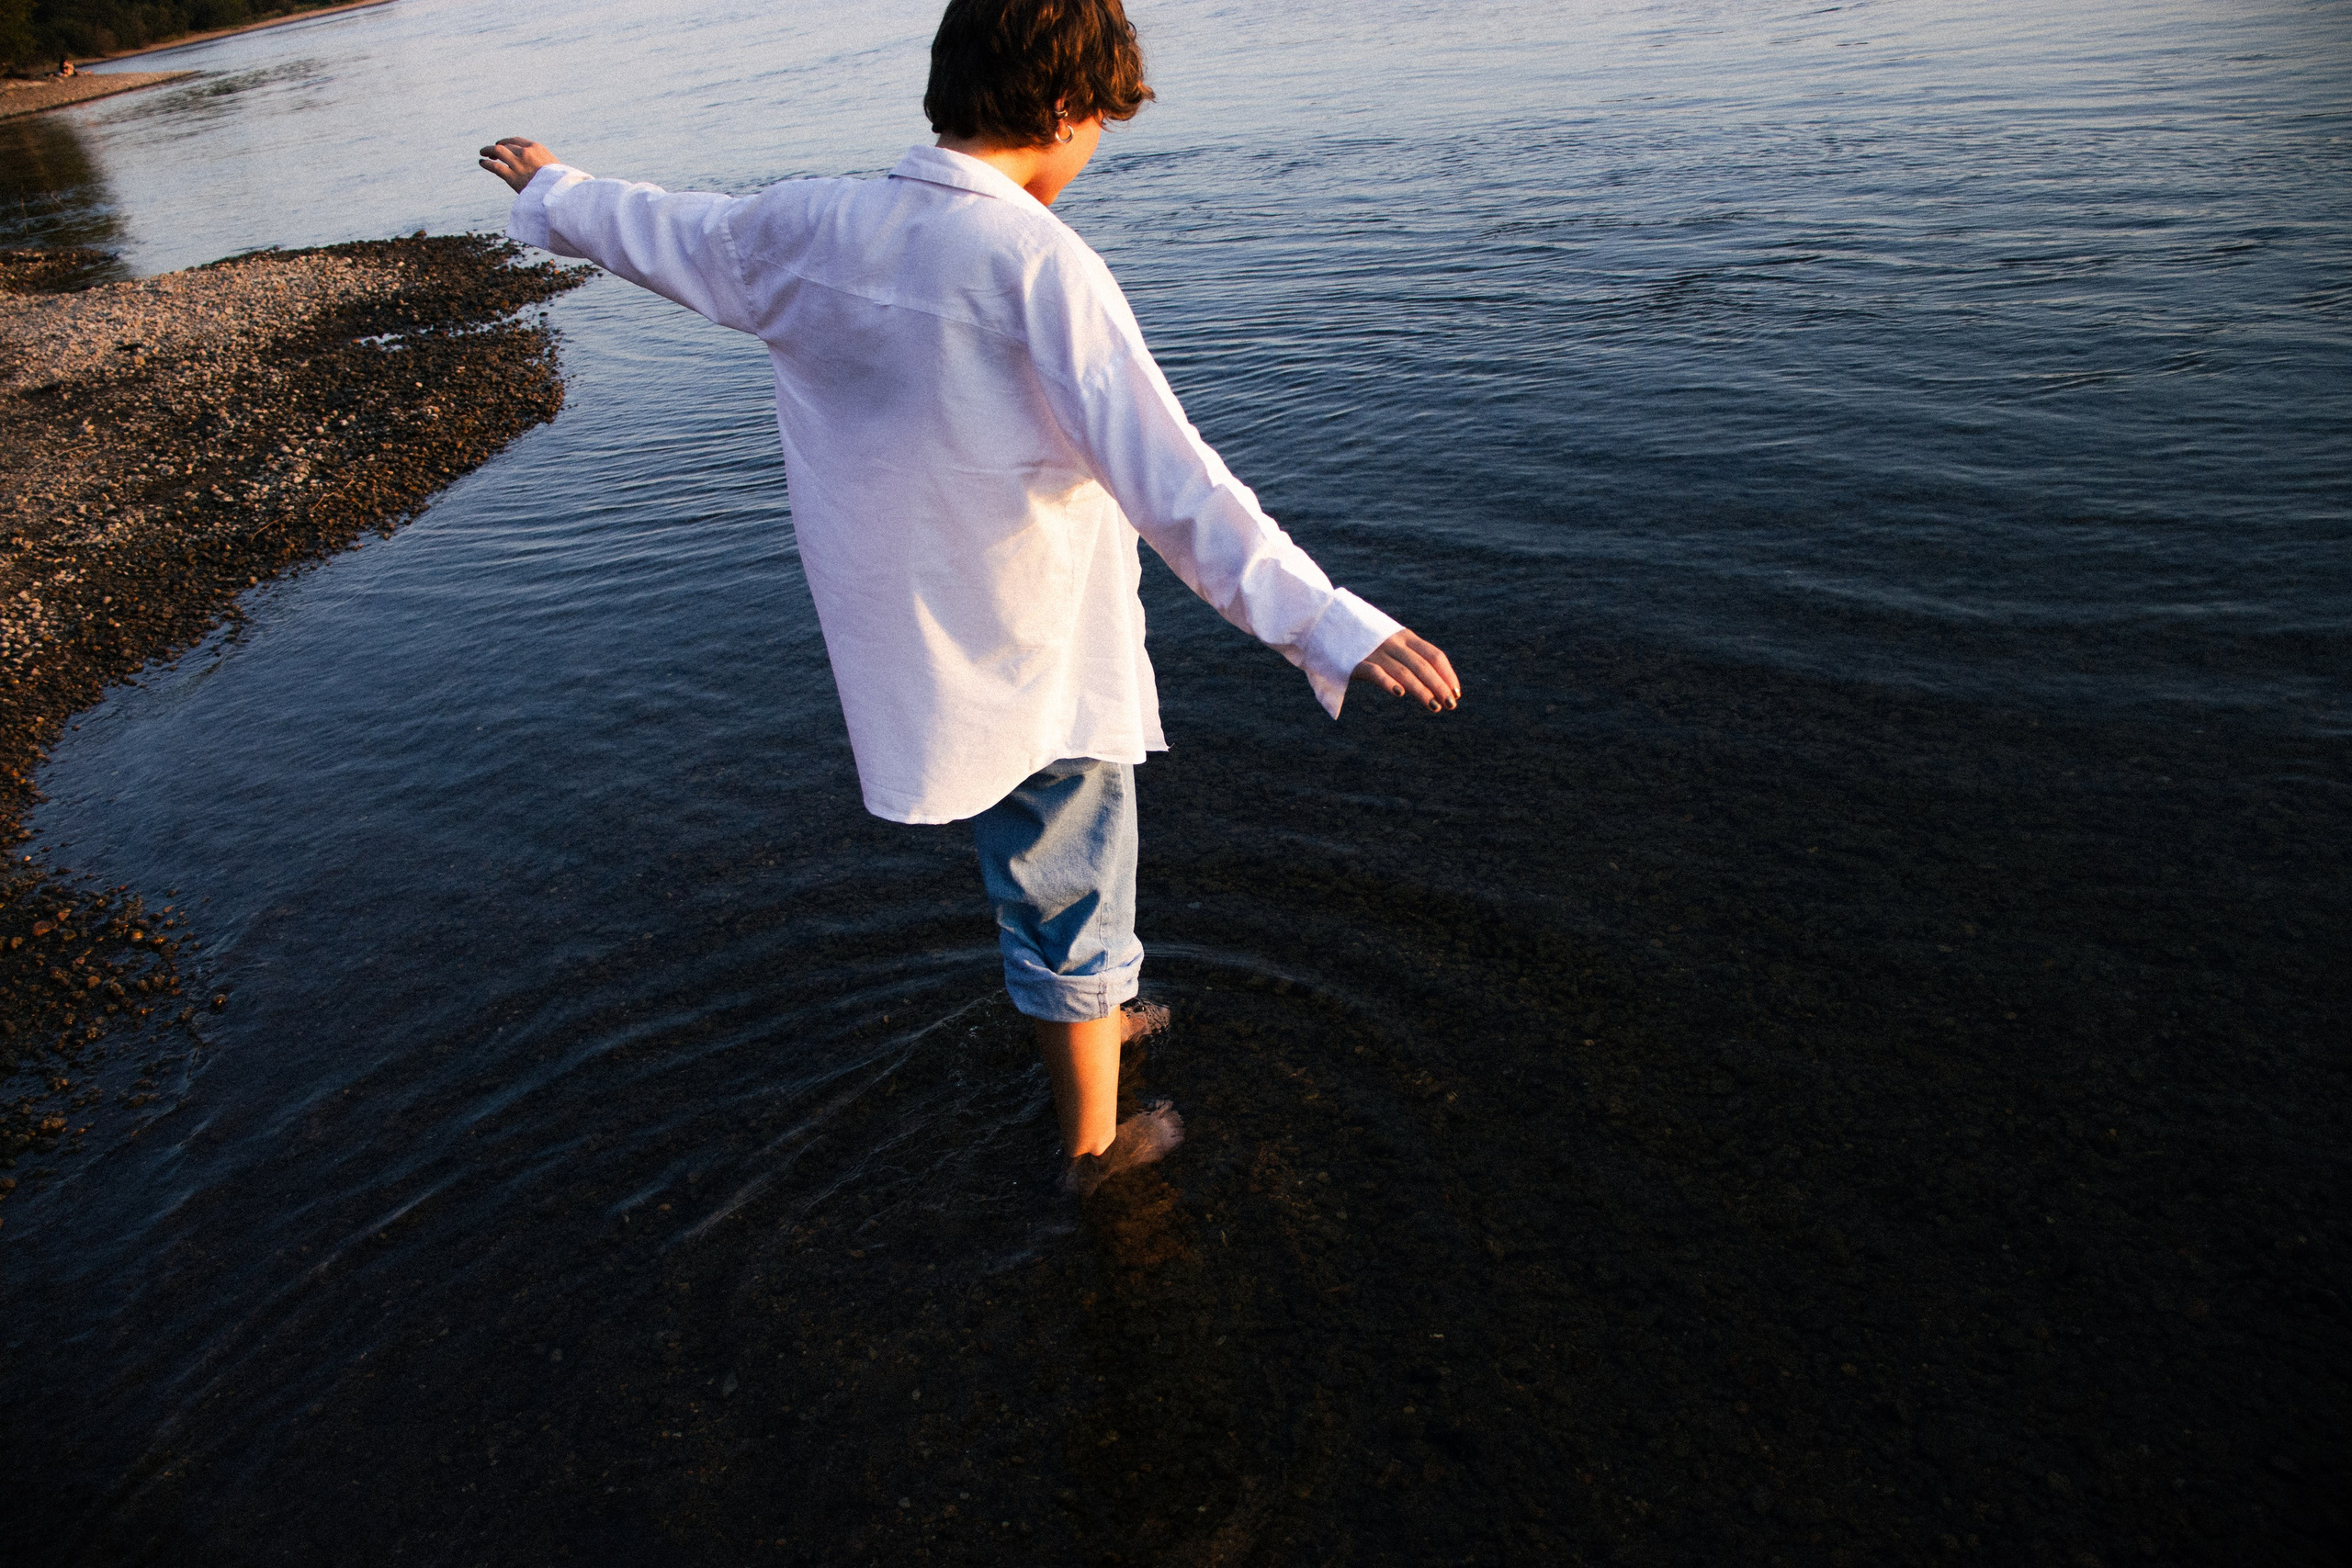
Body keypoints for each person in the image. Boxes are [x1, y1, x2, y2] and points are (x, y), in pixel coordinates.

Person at [477, 0, 1459, 1196]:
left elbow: (664, 229)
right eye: (1098, 122)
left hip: (914, 633)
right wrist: (1329, 621)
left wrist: (552, 187)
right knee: (1070, 874)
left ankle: (1089, 1009)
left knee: (1049, 860)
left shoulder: (812, 224)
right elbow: (1174, 480)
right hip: (1035, 647)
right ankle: (1097, 1153)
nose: (1094, 148)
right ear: (1060, 109)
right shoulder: (1038, 265)